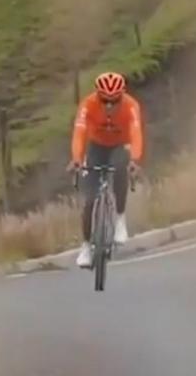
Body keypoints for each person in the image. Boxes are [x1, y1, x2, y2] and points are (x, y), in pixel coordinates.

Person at [68, 71, 144, 268]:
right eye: (105, 100)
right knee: (89, 200)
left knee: (120, 166)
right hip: (96, 146)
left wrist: (135, 159)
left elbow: (136, 134)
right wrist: (76, 158)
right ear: (97, 96)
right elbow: (79, 132)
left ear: (122, 95)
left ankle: (119, 218)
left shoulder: (131, 106)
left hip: (120, 145)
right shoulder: (87, 105)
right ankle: (85, 247)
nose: (109, 105)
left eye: (114, 100)